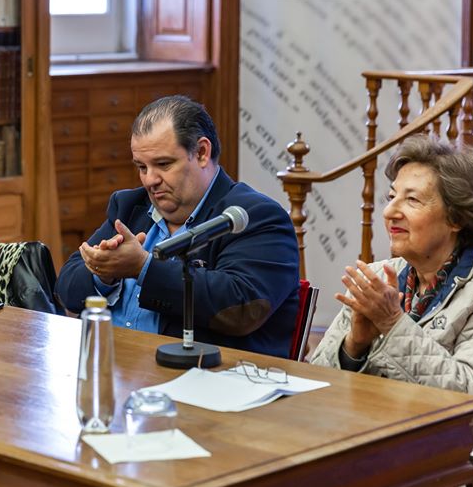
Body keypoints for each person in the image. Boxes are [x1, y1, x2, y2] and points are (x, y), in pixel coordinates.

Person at [310, 135, 473, 487]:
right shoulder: (382, 275)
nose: (390, 211)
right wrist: (355, 346)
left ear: (458, 217)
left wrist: (393, 323)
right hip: (373, 462)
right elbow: (317, 390)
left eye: (411, 200)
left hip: (461, 475)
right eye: (392, 196)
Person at [55, 95, 301, 357]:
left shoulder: (254, 216)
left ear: (202, 152)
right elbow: (67, 287)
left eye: (163, 164)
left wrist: (143, 268)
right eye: (141, 167)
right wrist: (103, 274)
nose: (150, 180)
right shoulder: (129, 207)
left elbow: (239, 308)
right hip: (112, 368)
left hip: (208, 381)